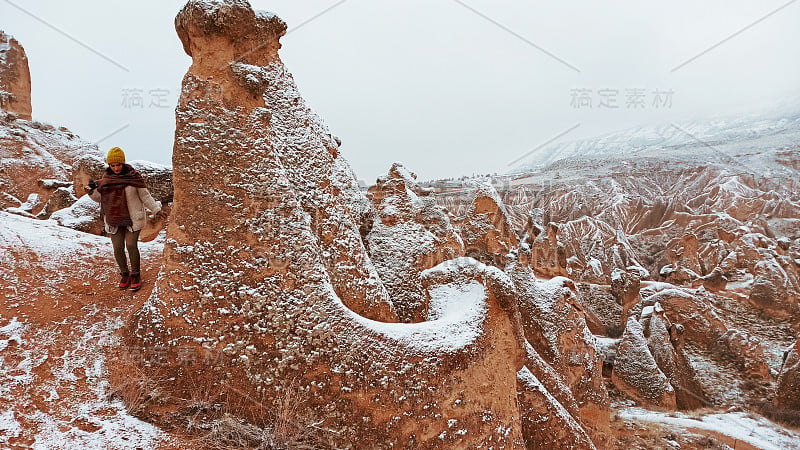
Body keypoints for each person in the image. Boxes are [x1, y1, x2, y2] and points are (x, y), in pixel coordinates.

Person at [85, 147, 164, 291]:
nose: (116, 168)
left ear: (123, 163)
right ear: (109, 165)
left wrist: (156, 209)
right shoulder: (105, 180)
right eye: (113, 165)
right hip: (113, 219)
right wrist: (91, 191)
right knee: (118, 248)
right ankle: (125, 274)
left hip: (132, 219)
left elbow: (145, 196)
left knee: (131, 245)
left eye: (118, 164)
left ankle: (135, 274)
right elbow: (100, 198)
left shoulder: (133, 178)